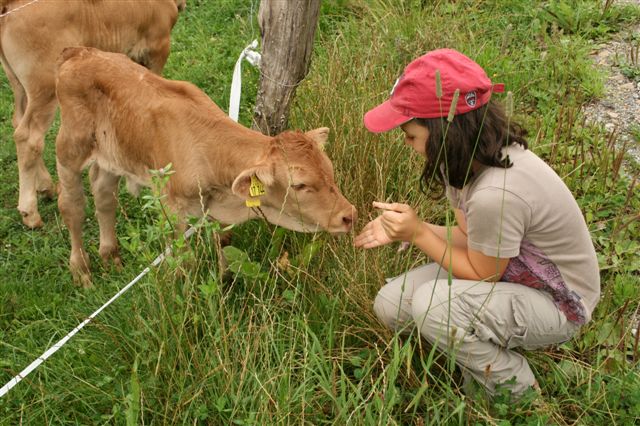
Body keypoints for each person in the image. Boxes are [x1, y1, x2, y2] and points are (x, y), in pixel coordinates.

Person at [354, 48, 600, 398]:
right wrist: (407, 230)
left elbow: (484, 273)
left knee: (434, 307)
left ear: (443, 131)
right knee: (392, 304)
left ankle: (514, 389)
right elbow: (472, 238)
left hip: (558, 300)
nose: (408, 145)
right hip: (514, 270)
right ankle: (483, 341)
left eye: (411, 135)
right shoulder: (463, 162)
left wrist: (420, 232)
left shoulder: (495, 193)